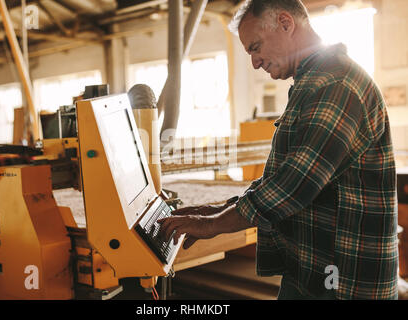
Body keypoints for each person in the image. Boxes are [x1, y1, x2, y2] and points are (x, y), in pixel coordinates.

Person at [158, 0, 399, 300]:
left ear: (286, 23)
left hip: (344, 280)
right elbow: (285, 175)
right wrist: (216, 209)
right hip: (314, 270)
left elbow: (294, 186)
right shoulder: (311, 84)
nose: (255, 62)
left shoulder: (335, 84)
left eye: (255, 47)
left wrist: (214, 226)